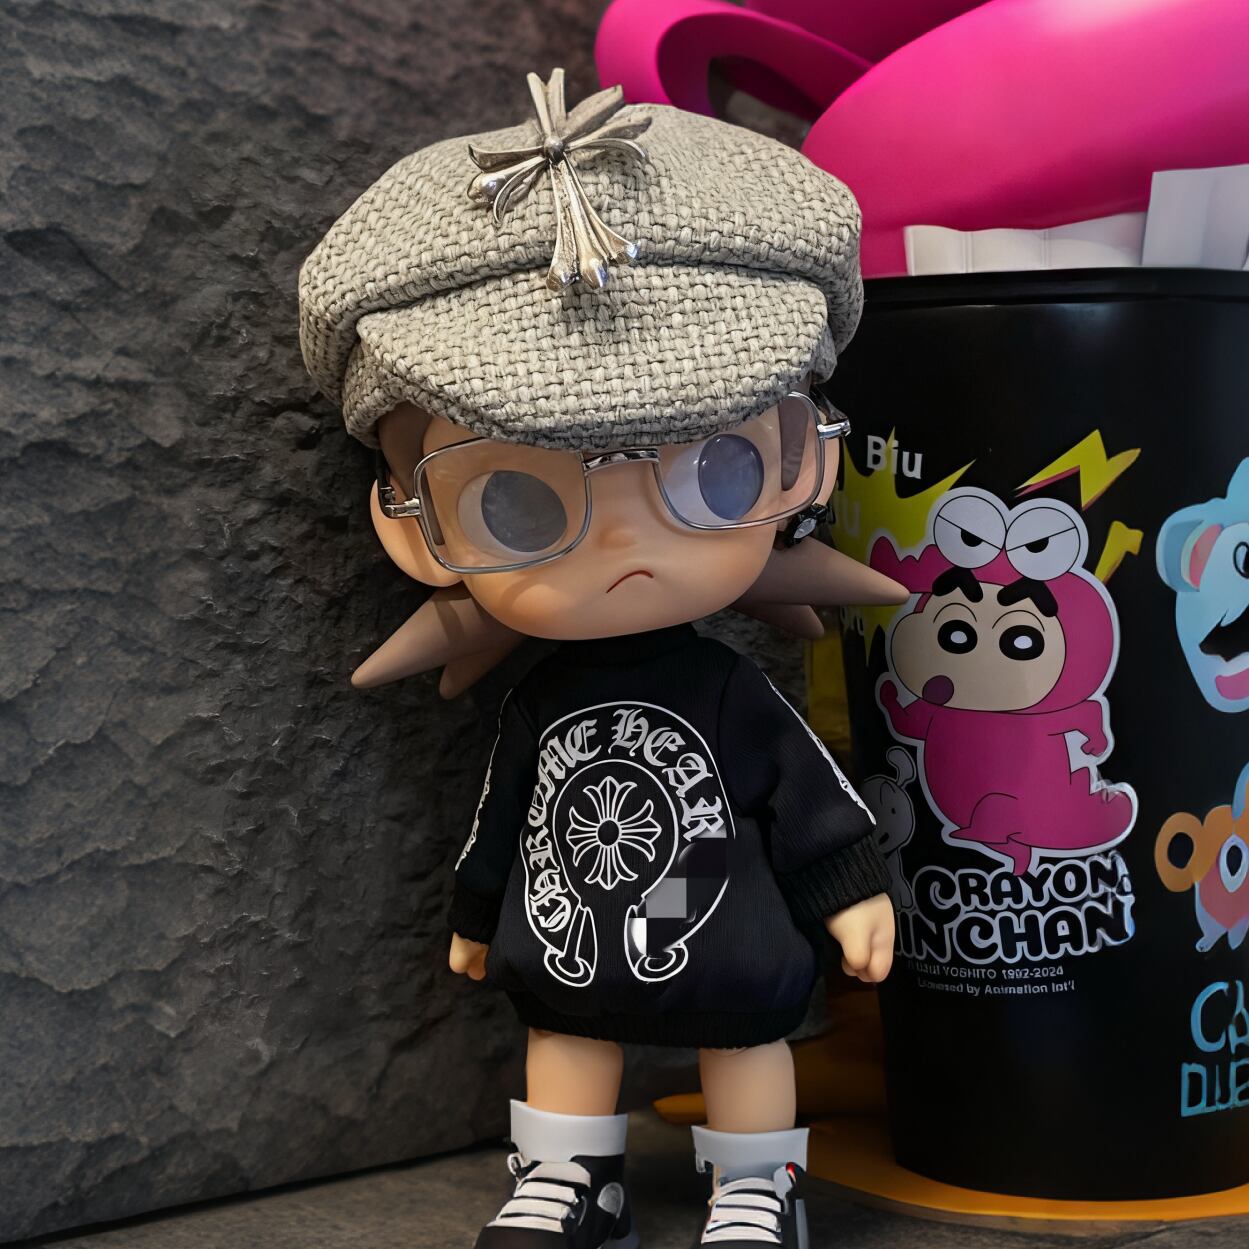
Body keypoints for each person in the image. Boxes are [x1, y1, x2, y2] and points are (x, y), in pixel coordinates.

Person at [299, 69, 901, 1249]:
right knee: (565, 1033)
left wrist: (852, 889)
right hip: (572, 930)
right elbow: (504, 810)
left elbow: (806, 796)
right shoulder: (542, 699)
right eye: (519, 503)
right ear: (411, 526)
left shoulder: (728, 689)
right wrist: (478, 907)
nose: (628, 543)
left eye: (716, 471)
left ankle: (756, 1186)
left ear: (804, 465)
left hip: (721, 930)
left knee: (746, 1039)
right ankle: (571, 1176)